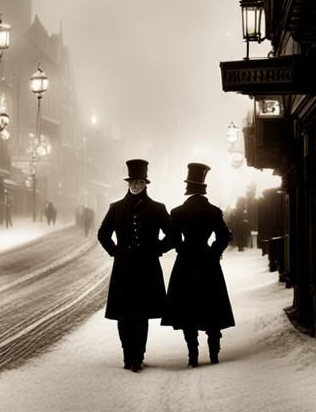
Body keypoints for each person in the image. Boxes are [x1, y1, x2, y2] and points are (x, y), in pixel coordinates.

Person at [97, 159, 174, 372]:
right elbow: (103, 234)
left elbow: (174, 236)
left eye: (140, 182)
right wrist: (116, 252)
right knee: (123, 315)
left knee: (141, 314)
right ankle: (127, 354)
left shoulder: (158, 208)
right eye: (133, 182)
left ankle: (138, 355)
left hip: (147, 269)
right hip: (123, 270)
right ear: (128, 183)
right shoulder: (116, 208)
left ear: (146, 183)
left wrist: (158, 249)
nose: (136, 185)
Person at [163, 163, 235, 367]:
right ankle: (214, 352)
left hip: (185, 263)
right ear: (203, 188)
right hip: (207, 262)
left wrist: (179, 248)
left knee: (187, 310)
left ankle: (192, 354)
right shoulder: (213, 211)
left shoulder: (177, 212)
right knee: (211, 306)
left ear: (188, 189)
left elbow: (173, 239)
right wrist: (213, 252)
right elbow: (223, 236)